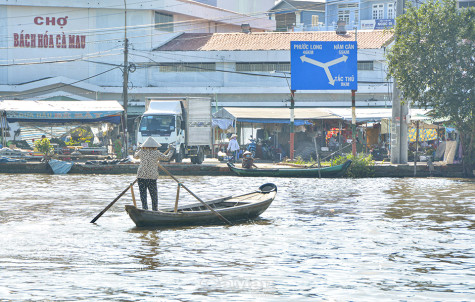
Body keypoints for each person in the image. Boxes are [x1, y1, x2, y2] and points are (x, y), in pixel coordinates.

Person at [133, 137, 174, 211]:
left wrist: (137, 149)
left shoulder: (141, 151)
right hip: (151, 177)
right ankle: (155, 210)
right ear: (155, 146)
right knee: (153, 195)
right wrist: (171, 150)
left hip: (141, 177)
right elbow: (167, 158)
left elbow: (135, 156)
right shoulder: (156, 153)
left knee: (143, 195)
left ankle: (144, 209)